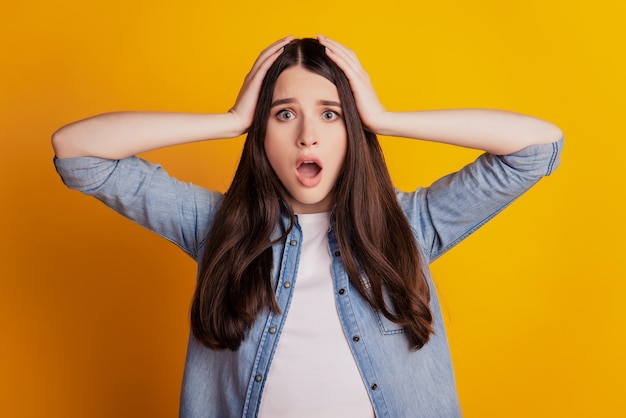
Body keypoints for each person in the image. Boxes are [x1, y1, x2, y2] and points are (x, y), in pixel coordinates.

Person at [52, 35, 563, 417]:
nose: (307, 137)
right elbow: (77, 154)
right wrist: (230, 119)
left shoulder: (409, 225)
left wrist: (382, 117)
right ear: (262, 133)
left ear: (352, 130)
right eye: (283, 115)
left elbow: (536, 148)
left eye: (331, 115)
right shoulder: (217, 229)